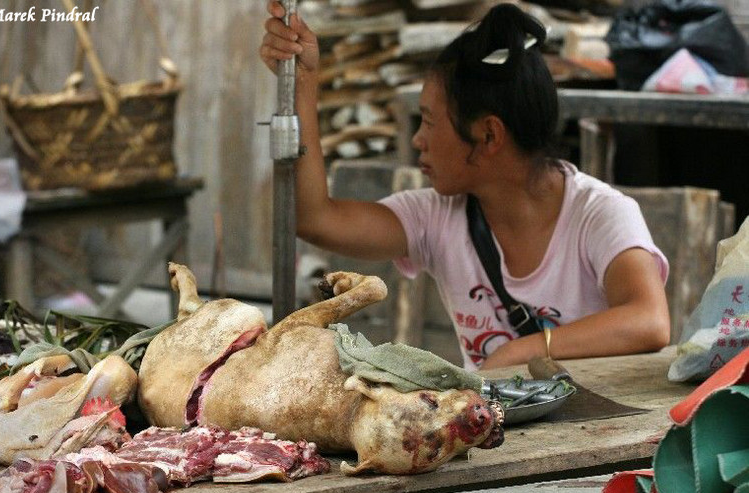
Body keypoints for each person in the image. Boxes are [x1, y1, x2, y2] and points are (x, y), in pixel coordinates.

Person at [259, 1, 671, 371]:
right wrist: (306, 82)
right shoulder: (436, 215)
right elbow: (315, 219)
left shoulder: (600, 214)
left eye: (430, 122)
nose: (418, 139)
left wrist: (520, 350)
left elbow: (648, 320)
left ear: (489, 136)